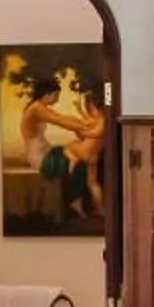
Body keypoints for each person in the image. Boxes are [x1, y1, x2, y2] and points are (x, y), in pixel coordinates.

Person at [18, 73, 104, 227]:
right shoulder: (37, 108)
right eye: (56, 95)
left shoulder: (40, 107)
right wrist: (90, 126)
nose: (57, 99)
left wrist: (85, 124)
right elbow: (62, 122)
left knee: (77, 156)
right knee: (77, 155)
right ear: (47, 94)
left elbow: (64, 118)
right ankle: (75, 201)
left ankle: (76, 201)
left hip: (46, 152)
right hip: (42, 158)